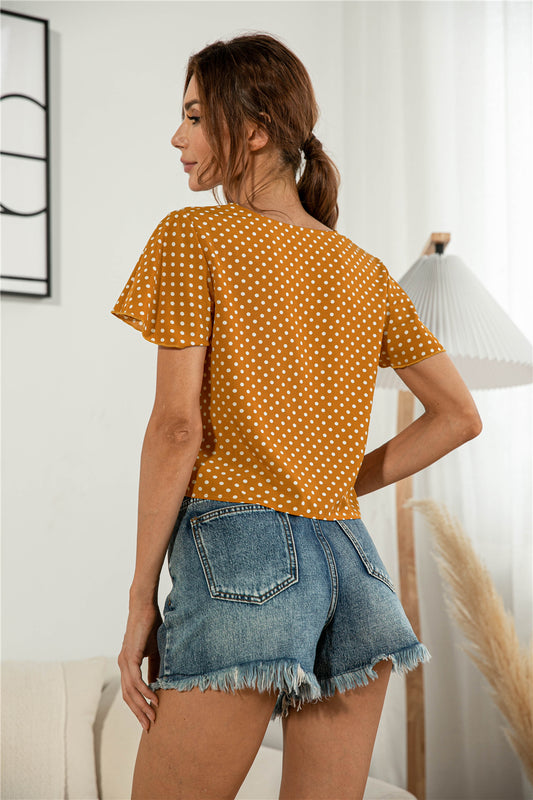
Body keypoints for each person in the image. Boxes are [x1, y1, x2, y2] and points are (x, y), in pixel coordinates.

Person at [112, 33, 482, 800]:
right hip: (353, 570)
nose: (177, 137)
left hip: (241, 558)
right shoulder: (364, 271)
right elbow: (457, 416)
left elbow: (177, 428)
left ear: (253, 130)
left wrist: (139, 597)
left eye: (193, 116)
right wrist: (333, 483)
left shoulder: (194, 235)